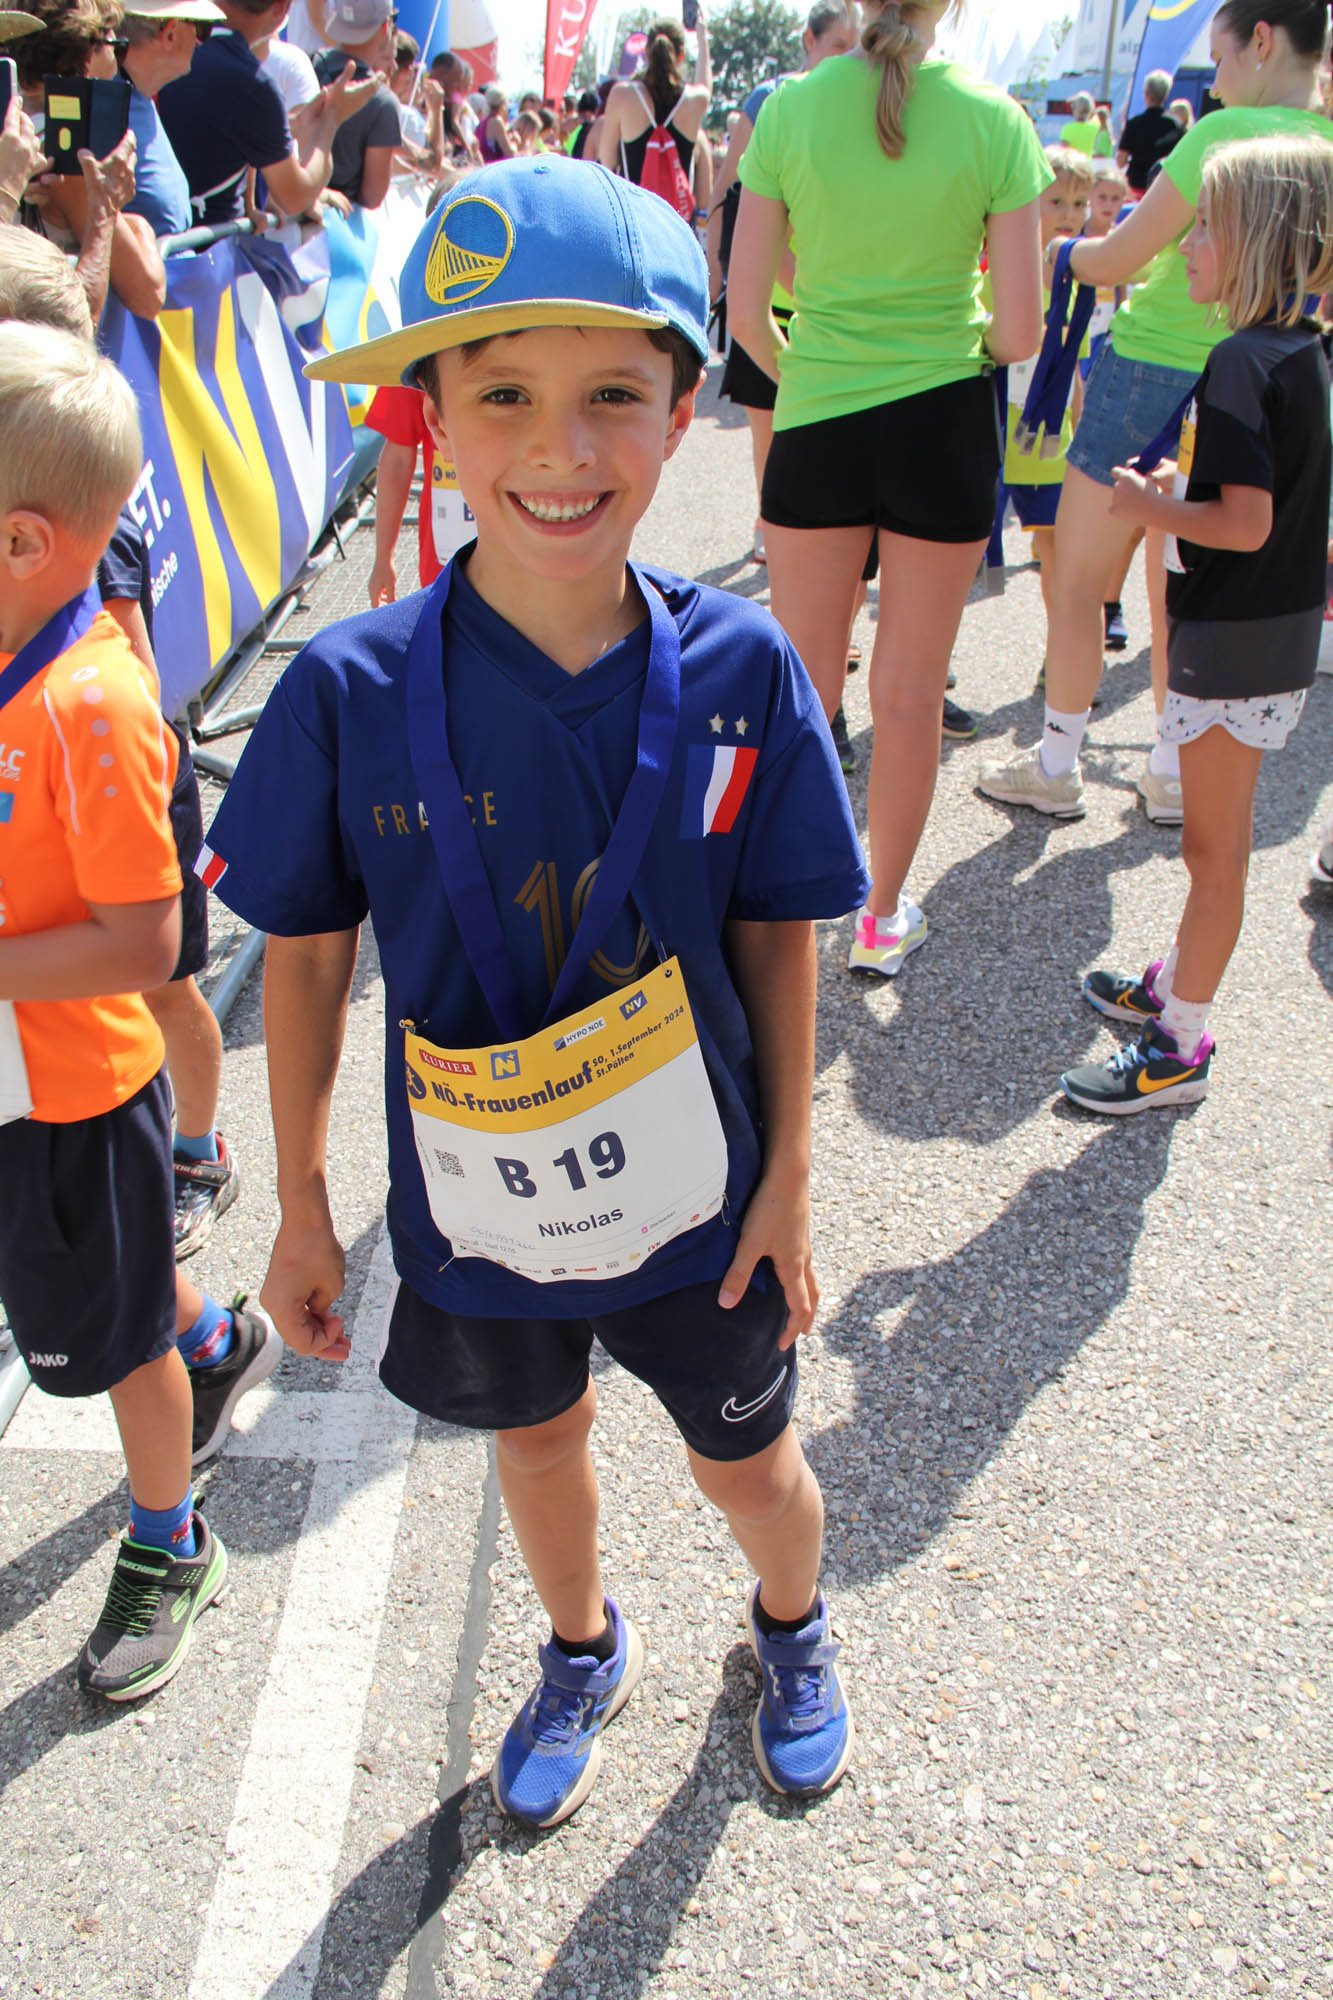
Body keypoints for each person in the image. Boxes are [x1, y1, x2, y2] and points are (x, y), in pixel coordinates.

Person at [204, 154, 870, 1825]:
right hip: (479, 1203)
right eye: (501, 395)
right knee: (537, 1443)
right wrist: (300, 1202)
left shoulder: (743, 668)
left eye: (611, 397)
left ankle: (791, 1623)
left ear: (681, 412)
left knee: (750, 1465)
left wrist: (793, 1167)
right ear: (429, 415)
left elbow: (776, 928)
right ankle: (581, 1645)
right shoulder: (349, 689)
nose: (559, 449)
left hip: (702, 1200)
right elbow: (307, 952)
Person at [0, 322, 281, 1697]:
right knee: (108, 1289)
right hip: (17, 1075)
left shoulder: (93, 703)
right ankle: (218, 1341)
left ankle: (172, 1540)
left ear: (21, 542)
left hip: (78, 1091)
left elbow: (147, 939)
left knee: (110, 1344)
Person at [728, 0, 1047, 977]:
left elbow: (743, 310)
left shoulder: (789, 109)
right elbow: (1019, 331)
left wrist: (814, 379)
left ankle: (779, 910)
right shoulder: (995, 120)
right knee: (909, 696)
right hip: (942, 421)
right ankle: (877, 919)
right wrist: (941, 350)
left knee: (801, 688)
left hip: (818, 417)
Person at [979, 0, 1333, 829]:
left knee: (1077, 580)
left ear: (1260, 41)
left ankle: (1056, 763)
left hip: (1148, 373)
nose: (1218, 84)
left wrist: (1060, 252)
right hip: (1263, 382)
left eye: (1223, 58)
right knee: (1183, 586)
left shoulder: (1222, 136)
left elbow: (1117, 258)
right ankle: (1171, 770)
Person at [1059, 134, 1333, 1112]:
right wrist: (1190, 489)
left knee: (1213, 855)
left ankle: (1179, 1043)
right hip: (1272, 633)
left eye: (1205, 227)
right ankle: (1174, 985)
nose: (1185, 245)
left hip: (1234, 636)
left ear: (1258, 240)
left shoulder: (1234, 362)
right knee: (1215, 842)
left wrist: (1152, 506)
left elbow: (1243, 524)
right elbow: (1270, 498)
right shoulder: (1300, 350)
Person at [13, 0, 167, 318]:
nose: (119, 58)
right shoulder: (67, 152)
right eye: (116, 46)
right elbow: (148, 295)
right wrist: (139, 227)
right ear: (88, 51)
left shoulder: (14, 126)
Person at [158, 0, 376, 224]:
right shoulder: (254, 84)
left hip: (165, 229)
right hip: (207, 239)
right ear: (281, 8)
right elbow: (295, 197)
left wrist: (250, 203)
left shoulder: (166, 42)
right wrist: (331, 119)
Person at [997, 146, 1093, 644]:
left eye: (1080, 203)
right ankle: (936, 662)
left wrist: (1078, 430)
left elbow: (1075, 367)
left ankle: (1059, 653)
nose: (1069, 214)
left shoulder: (1078, 278)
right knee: (969, 556)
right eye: (1056, 201)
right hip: (997, 435)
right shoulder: (1001, 270)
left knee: (1058, 550)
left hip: (1049, 443)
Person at [118, 0, 225, 240]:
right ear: (170, 33)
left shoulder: (136, 94)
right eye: (201, 29)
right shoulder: (107, 102)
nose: (200, 42)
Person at [598, 10, 711, 217]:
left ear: (646, 52)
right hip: (677, 224)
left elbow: (607, 161)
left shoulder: (623, 95)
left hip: (636, 219)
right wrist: (702, 39)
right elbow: (705, 87)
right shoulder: (695, 100)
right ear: (681, 55)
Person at [309, 0, 398, 208]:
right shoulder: (383, 103)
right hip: (338, 219)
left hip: (282, 213)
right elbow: (372, 197)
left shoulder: (303, 65)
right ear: (386, 26)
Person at [1116, 67, 1182, 195]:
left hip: (1136, 186)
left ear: (1146, 94)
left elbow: (1120, 161)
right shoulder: (1176, 126)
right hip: (1163, 187)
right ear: (1166, 95)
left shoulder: (1134, 124)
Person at [476, 81, 511, 160]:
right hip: (494, 164)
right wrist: (515, 143)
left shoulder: (482, 123)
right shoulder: (496, 121)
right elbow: (509, 153)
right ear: (503, 104)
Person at [1060, 89, 1099, 156]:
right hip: (1089, 162)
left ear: (1074, 109)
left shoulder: (1067, 128)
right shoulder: (1096, 128)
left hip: (1072, 162)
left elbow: (1063, 153)